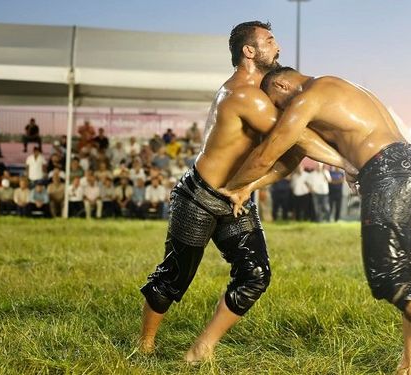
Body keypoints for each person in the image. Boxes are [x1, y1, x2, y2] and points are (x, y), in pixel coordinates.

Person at [223, 67, 411, 374]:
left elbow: (269, 153)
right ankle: (407, 365)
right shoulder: (343, 87)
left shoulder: (308, 99)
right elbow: (292, 157)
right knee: (409, 274)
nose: (280, 111)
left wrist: (233, 186)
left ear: (281, 84)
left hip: (389, 173)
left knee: (388, 275)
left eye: (276, 103)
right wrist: (251, 186)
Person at [138, 21, 354, 363]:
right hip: (199, 196)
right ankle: (144, 347)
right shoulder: (242, 94)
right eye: (269, 40)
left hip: (235, 196)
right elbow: (294, 135)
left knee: (255, 275)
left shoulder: (268, 92)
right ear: (248, 51)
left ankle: (202, 348)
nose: (278, 47)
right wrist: (347, 163)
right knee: (174, 278)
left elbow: (299, 138)